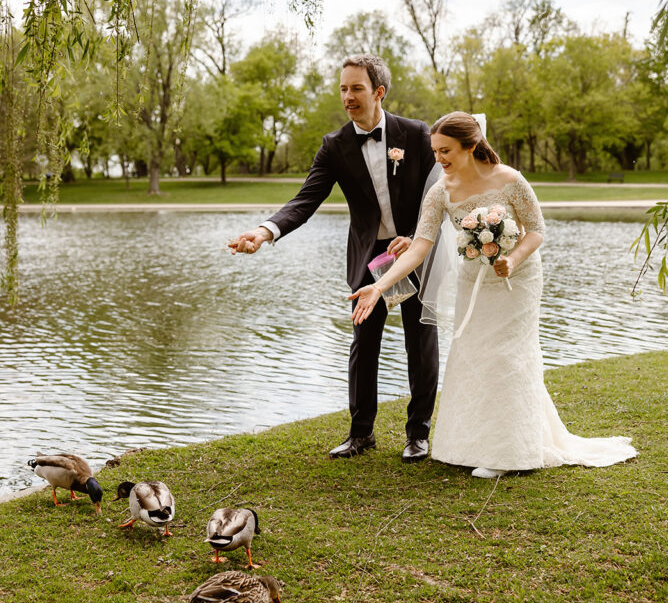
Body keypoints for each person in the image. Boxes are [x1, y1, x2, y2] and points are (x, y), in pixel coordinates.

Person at [349, 112, 637, 477]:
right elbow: (420, 246)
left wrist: (513, 259)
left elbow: (536, 229)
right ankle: (471, 445)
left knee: (507, 356)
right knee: (473, 355)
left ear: (470, 146)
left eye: (446, 151)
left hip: (518, 280)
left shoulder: (510, 180)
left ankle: (507, 454)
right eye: (435, 151)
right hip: (473, 284)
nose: (439, 159)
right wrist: (379, 285)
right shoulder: (441, 191)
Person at [228, 54, 440, 463]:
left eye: (356, 88)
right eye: (343, 88)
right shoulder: (336, 145)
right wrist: (264, 231)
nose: (347, 96)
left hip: (415, 249)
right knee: (364, 342)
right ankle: (361, 434)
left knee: (420, 339)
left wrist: (414, 236)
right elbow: (305, 200)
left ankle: (418, 434)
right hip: (369, 256)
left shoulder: (415, 135)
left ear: (378, 92)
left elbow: (439, 192)